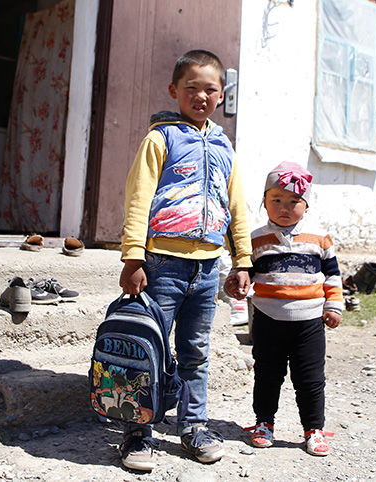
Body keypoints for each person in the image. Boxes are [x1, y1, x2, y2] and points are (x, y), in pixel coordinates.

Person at [118, 49, 252, 471]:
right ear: (174, 91)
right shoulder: (161, 139)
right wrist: (133, 256)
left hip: (208, 268)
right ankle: (137, 434)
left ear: (221, 94)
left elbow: (237, 207)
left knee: (195, 352)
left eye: (210, 89)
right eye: (191, 87)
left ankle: (193, 427)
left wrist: (242, 260)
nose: (200, 96)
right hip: (162, 265)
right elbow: (139, 199)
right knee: (148, 350)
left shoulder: (226, 146)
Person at [225, 161, 343, 457]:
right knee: (267, 375)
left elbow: (332, 276)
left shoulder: (320, 238)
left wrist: (334, 306)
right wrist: (233, 284)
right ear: (264, 203)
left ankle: (313, 429)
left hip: (309, 322)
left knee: (310, 379)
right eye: (276, 200)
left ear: (306, 205)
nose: (284, 207)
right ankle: (264, 423)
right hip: (267, 318)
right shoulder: (255, 240)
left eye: (294, 201)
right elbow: (242, 273)